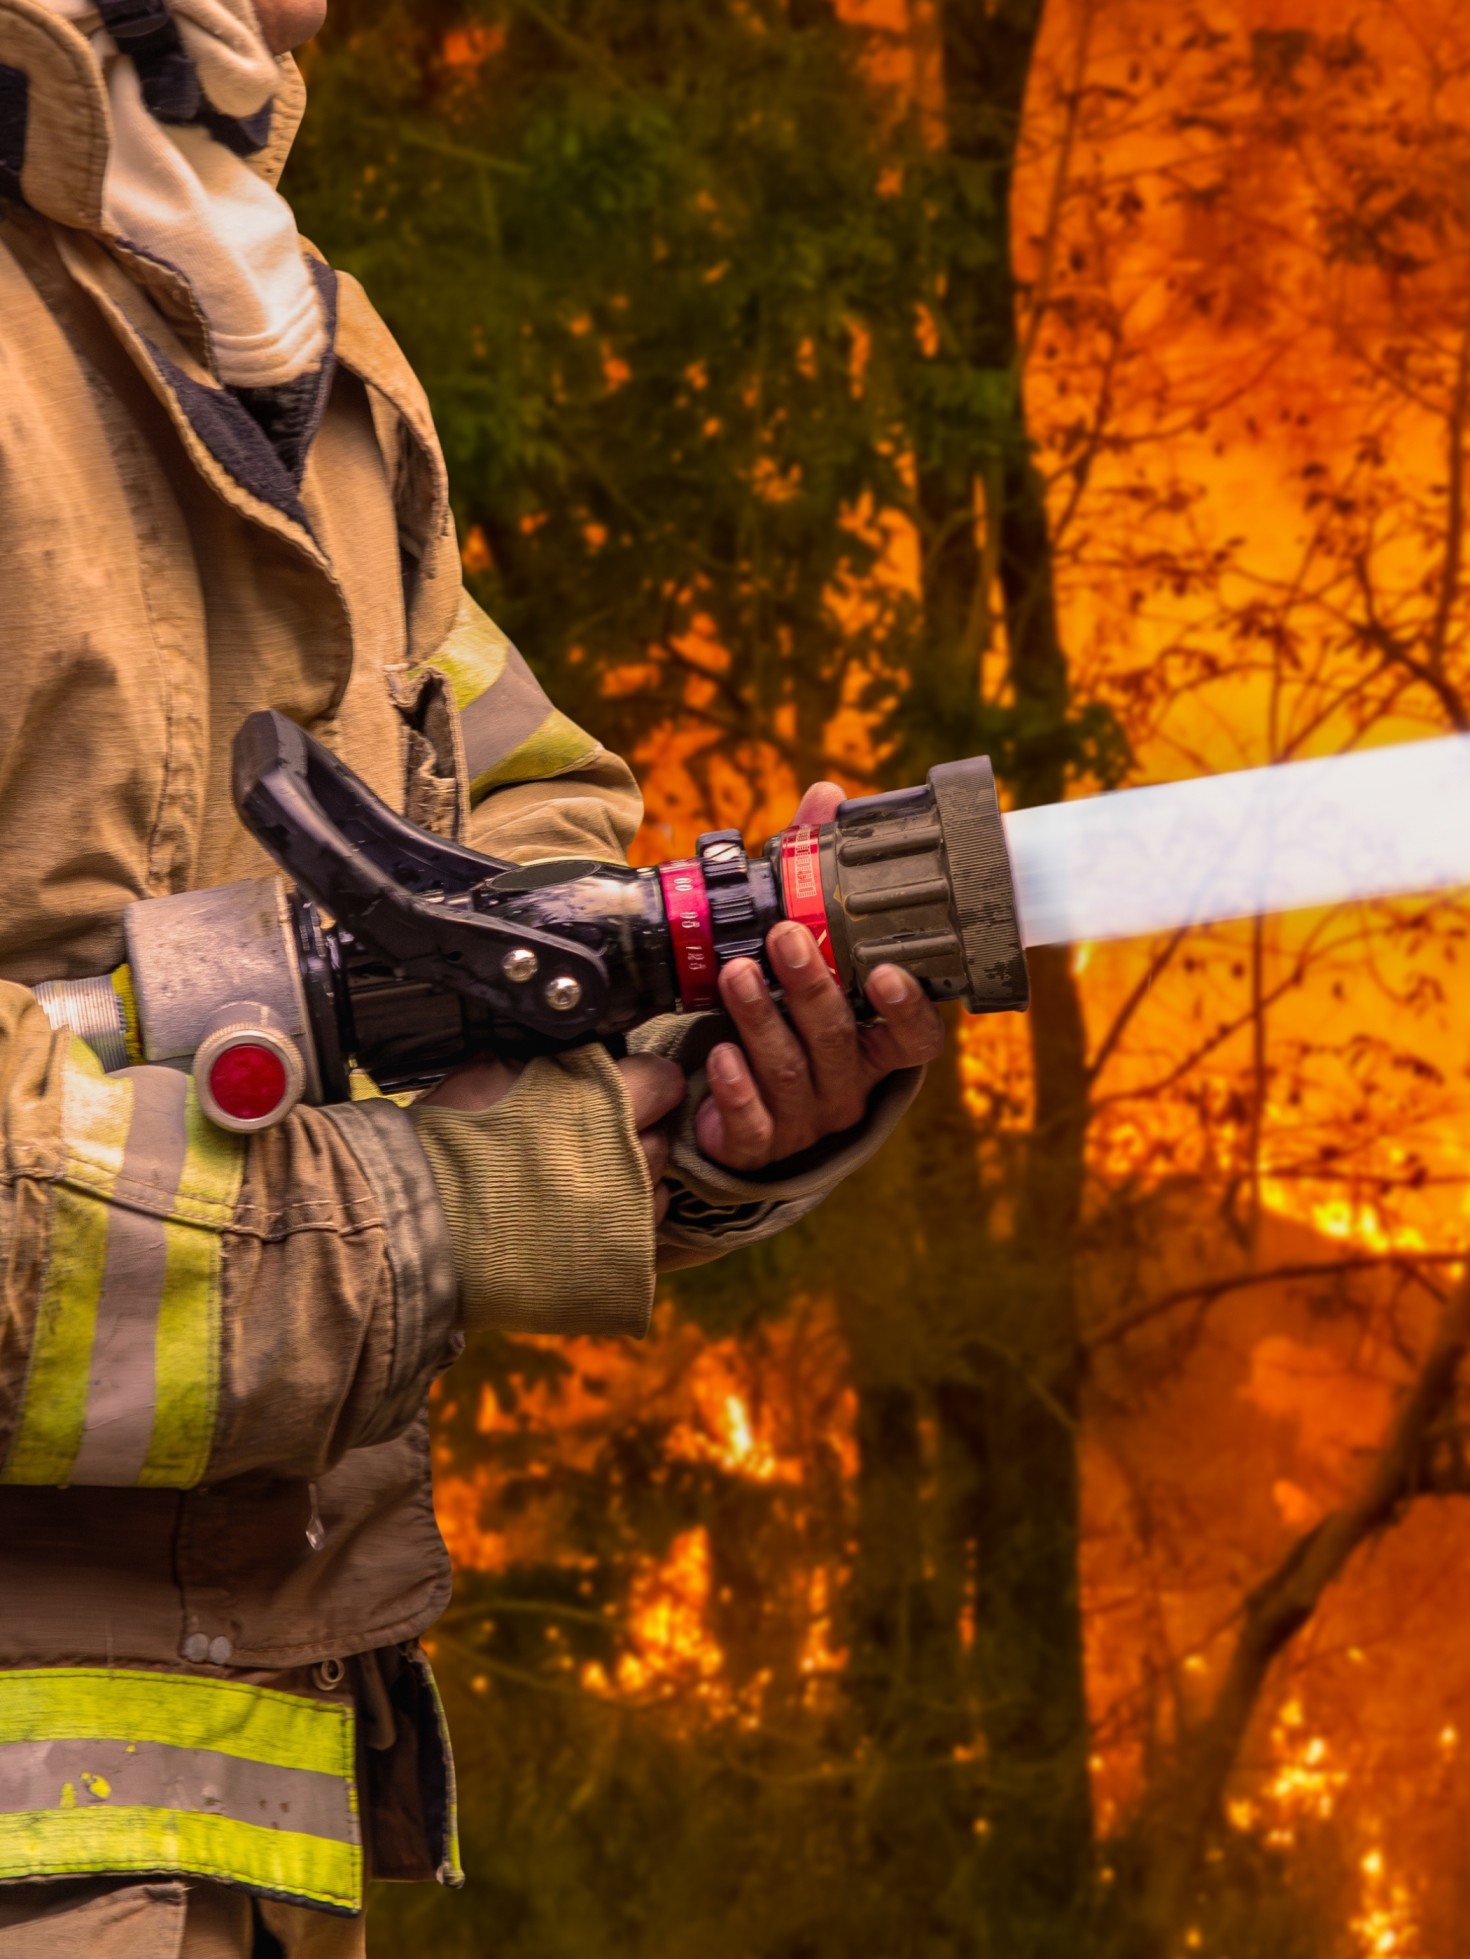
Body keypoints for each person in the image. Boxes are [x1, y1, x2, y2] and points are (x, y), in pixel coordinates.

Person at [0, 0, 943, 1952]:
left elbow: (527, 821)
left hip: (230, 1851)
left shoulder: (298, 349)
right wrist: (453, 1206)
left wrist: (704, 1062)